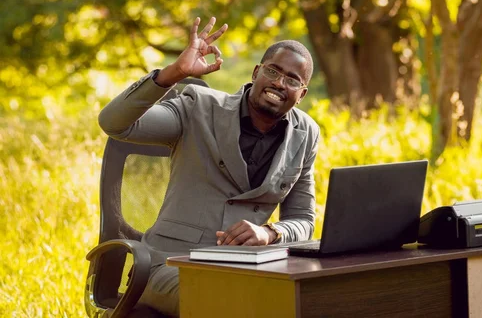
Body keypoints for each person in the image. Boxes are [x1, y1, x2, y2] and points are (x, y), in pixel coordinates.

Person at [98, 17, 319, 317]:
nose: (279, 83)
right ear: (256, 73)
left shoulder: (306, 134)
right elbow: (114, 124)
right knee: (232, 304)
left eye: (292, 79)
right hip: (168, 266)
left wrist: (270, 232)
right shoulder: (197, 106)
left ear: (302, 93)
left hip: (245, 271)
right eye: (273, 71)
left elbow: (304, 221)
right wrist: (174, 73)